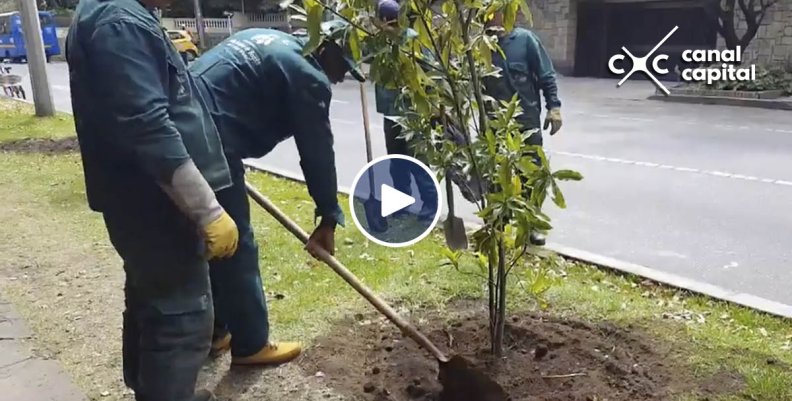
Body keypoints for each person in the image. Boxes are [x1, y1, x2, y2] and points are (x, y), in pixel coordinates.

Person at [66, 0, 237, 399]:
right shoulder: (120, 21)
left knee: (151, 303)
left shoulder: (117, 12)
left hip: (142, 199)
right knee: (183, 320)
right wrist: (207, 210)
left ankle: (154, 391)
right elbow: (148, 126)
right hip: (154, 203)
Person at [188, 20, 364, 365]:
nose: (341, 77)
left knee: (204, 234)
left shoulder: (268, 38)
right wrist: (328, 216)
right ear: (326, 50)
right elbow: (316, 152)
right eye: (343, 67)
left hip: (182, 122)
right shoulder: (307, 77)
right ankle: (251, 343)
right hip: (210, 140)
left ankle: (216, 330)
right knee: (235, 240)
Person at [483, 12, 563, 246]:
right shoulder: (481, 46)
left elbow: (546, 75)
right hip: (494, 123)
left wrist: (554, 107)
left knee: (532, 175)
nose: (487, 16)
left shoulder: (525, 40)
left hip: (526, 121)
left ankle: (532, 225)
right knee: (497, 175)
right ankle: (499, 222)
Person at [374, 0, 438, 221]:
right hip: (390, 111)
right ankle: (401, 201)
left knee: (418, 160)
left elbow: (429, 68)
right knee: (397, 160)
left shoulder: (411, 39)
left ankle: (431, 204)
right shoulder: (379, 41)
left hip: (412, 113)